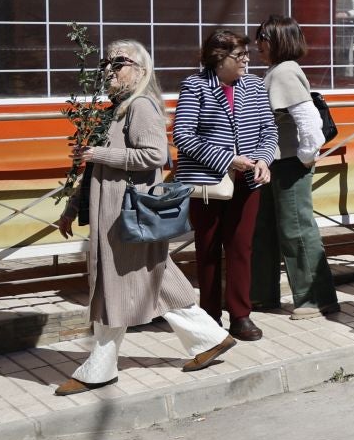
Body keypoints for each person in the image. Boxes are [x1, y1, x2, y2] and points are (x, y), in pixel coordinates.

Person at [53, 40, 237, 395]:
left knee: (114, 286)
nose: (110, 69)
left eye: (118, 62)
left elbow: (155, 155)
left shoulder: (141, 107)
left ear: (140, 69)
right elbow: (95, 168)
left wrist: (101, 153)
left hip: (126, 215)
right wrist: (72, 208)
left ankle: (99, 367)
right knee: (158, 279)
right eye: (106, 63)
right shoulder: (117, 110)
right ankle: (210, 338)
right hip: (118, 216)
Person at [173, 29, 276, 341]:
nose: (247, 60)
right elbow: (183, 135)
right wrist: (227, 160)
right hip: (208, 184)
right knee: (208, 248)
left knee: (241, 248)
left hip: (248, 182)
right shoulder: (195, 86)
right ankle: (209, 315)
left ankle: (241, 315)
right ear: (219, 58)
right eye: (239, 55)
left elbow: (268, 130)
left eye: (247, 54)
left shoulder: (255, 86)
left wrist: (262, 161)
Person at [250, 16, 336, 320]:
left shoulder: (285, 72)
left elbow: (310, 124)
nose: (258, 43)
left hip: (288, 164)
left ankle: (315, 299)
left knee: (296, 228)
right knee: (268, 229)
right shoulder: (277, 71)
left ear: (279, 41)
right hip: (276, 163)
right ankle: (262, 294)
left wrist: (303, 158)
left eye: (264, 37)